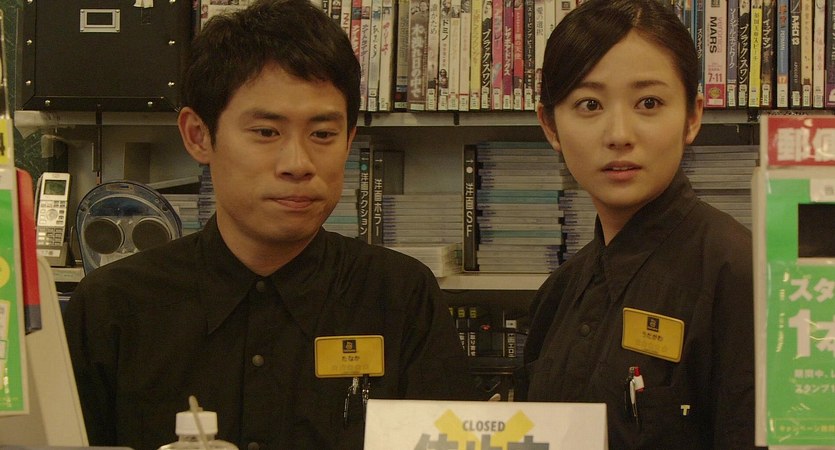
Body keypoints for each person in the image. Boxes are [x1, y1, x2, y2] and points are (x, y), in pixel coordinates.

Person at [63, 1, 483, 449]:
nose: (298, 163)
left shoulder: (400, 295)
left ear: (349, 141)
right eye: (266, 132)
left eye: (323, 134)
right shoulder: (113, 307)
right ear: (198, 135)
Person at [521, 0, 755, 448]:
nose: (619, 134)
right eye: (589, 104)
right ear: (549, 125)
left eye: (649, 102)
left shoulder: (740, 277)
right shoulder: (558, 293)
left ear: (692, 117)